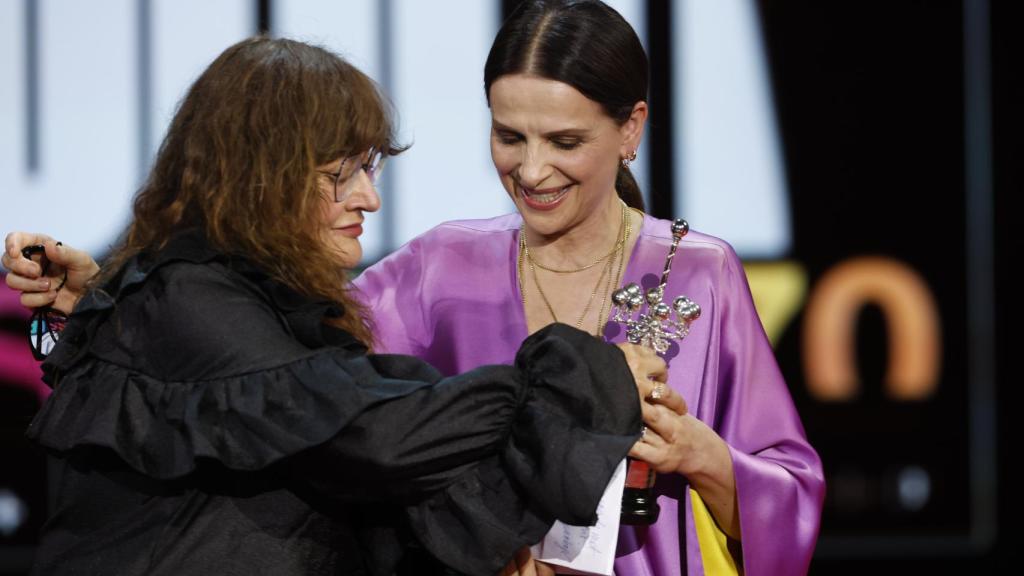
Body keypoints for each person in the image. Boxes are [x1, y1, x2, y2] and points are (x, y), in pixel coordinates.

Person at [0, 36, 678, 576]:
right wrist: (586, 377)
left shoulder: (248, 303)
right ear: (257, 178)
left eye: (369, 169)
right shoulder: (190, 297)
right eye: (338, 176)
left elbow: (361, 427)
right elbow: (377, 433)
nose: (368, 199)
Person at [355, 1, 825, 574]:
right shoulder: (440, 269)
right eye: (509, 136)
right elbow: (329, 404)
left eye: (564, 142)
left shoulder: (700, 273)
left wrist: (702, 455)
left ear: (631, 127)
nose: (530, 170)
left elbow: (792, 496)